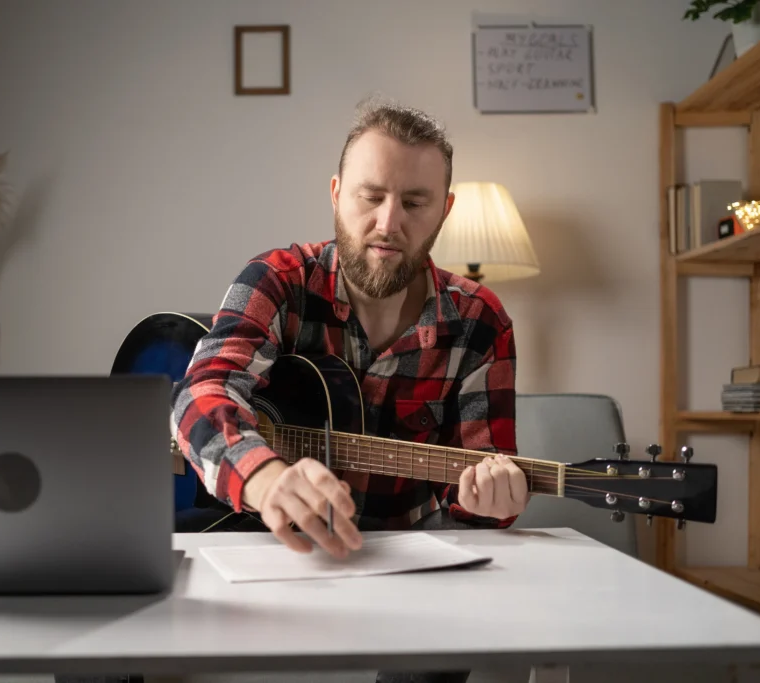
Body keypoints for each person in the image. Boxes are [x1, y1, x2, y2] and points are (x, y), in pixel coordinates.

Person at [169, 98, 529, 683]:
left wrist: (491, 502)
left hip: (401, 567)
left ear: (445, 211)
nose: (389, 224)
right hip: (256, 544)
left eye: (415, 202)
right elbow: (200, 394)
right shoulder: (278, 280)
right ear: (336, 192)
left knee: (447, 645)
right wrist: (266, 479)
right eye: (371, 196)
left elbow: (480, 488)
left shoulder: (480, 320)